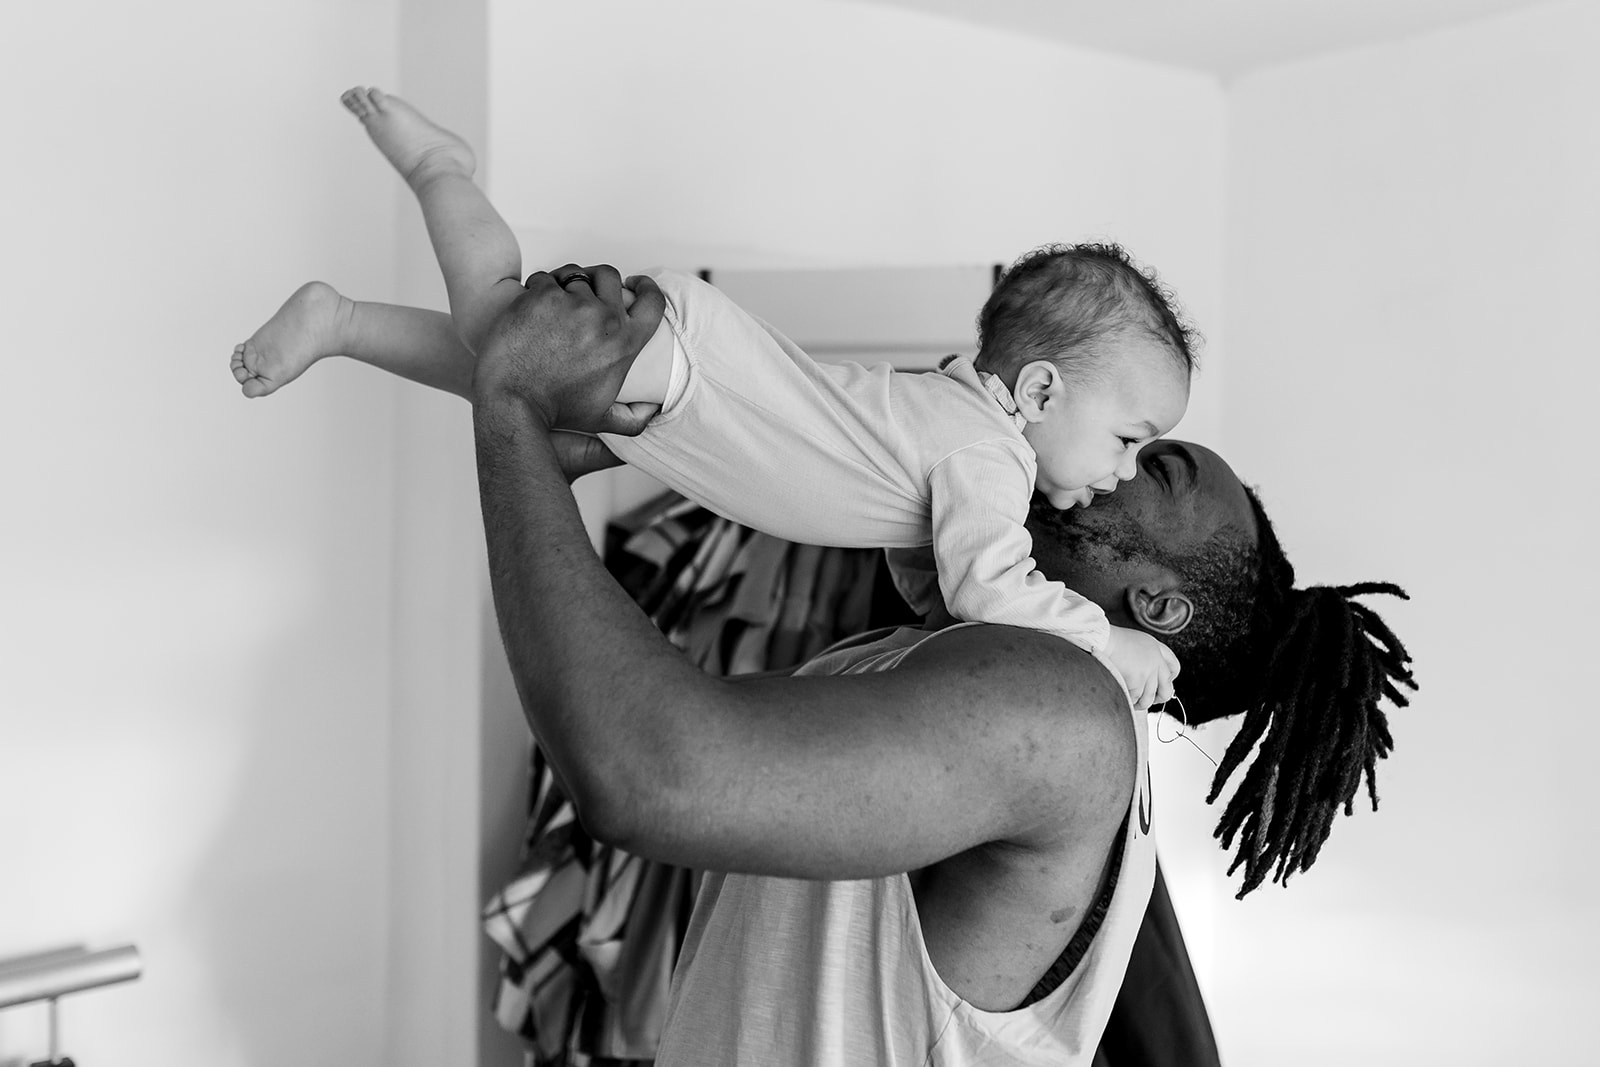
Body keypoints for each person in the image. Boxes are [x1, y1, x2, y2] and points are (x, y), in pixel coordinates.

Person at [453, 263, 1415, 1063]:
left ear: (1158, 607)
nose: (1116, 459)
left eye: (1150, 461)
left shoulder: (1060, 704)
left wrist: (511, 420)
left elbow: (648, 773)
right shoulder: (944, 645)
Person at [231, 87, 1190, 709]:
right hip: (685, 373)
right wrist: (1108, 641)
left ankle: (349, 325)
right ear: (1040, 388)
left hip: (680, 387)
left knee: (499, 372)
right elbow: (994, 587)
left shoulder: (951, 421)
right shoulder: (985, 455)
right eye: (1127, 439)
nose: (1121, 471)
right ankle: (442, 171)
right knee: (494, 319)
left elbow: (929, 572)